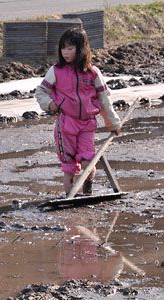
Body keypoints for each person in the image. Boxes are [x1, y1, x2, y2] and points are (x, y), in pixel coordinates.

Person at [35, 28, 121, 196]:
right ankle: (70, 197)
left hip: (87, 124)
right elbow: (40, 92)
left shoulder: (93, 73)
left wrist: (113, 123)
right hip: (66, 124)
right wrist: (51, 105)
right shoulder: (56, 71)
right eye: (63, 48)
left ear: (81, 49)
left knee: (89, 161)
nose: (65, 52)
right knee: (69, 167)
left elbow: (104, 100)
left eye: (70, 48)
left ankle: (87, 188)